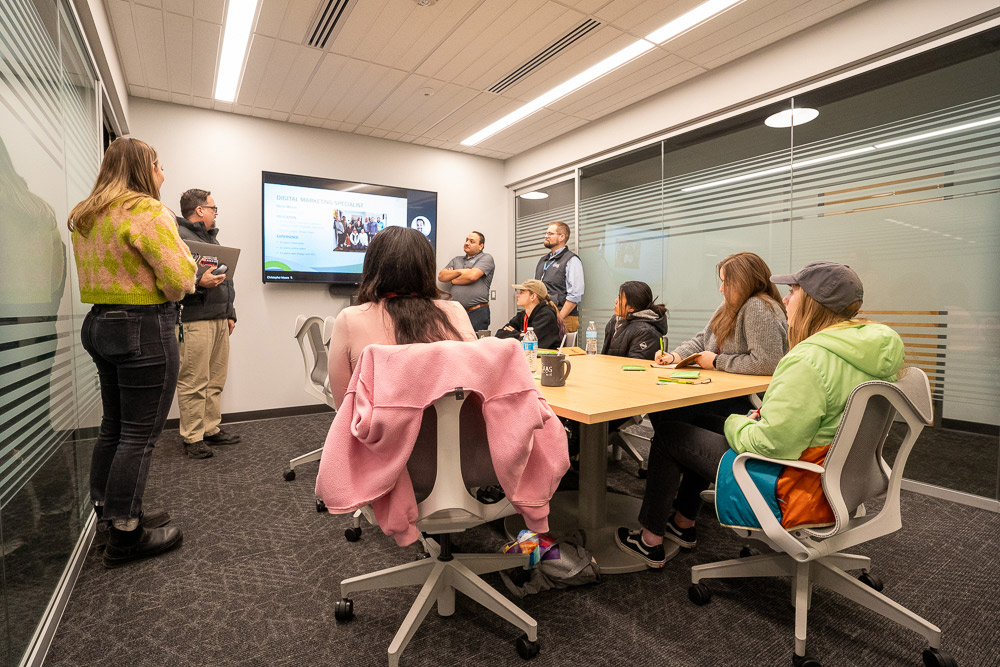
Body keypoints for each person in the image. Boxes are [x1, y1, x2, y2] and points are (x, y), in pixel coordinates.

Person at [616, 262, 901, 568]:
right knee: (696, 424)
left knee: (671, 435)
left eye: (794, 291)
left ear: (813, 303)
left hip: (793, 483)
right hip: (839, 474)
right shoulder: (869, 351)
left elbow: (774, 444)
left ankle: (649, 541)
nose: (786, 300)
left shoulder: (809, 359)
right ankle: (682, 523)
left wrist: (737, 422)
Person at [68, 137, 197, 567]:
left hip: (100, 323)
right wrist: (191, 268)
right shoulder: (147, 210)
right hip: (143, 325)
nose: (163, 175)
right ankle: (127, 534)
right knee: (140, 436)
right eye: (159, 165)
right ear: (143, 168)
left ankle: (111, 514)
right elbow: (179, 280)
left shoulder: (87, 215)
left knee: (115, 427)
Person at [327, 225, 476, 407]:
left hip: (379, 434)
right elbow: (473, 386)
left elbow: (344, 406)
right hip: (455, 433)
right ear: (427, 268)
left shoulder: (349, 319)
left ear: (373, 267)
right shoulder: (456, 311)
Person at [648, 251, 788, 437]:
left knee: (669, 411)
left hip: (747, 402)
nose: (721, 288)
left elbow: (767, 363)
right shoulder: (729, 305)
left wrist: (716, 362)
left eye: (727, 282)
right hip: (724, 390)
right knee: (663, 406)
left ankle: (674, 456)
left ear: (745, 281)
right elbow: (702, 339)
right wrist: (674, 356)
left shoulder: (758, 306)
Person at [175, 189, 239, 460]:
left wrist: (230, 313)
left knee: (215, 379)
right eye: (213, 208)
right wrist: (198, 283)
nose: (215, 213)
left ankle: (210, 429)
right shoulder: (179, 237)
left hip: (218, 318)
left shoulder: (210, 239)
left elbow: (228, 279)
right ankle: (192, 436)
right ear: (199, 210)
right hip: (194, 320)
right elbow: (174, 279)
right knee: (194, 380)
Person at [438, 231, 495, 332]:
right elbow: (441, 276)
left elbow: (472, 276)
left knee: (474, 345)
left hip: (477, 312)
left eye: (472, 241)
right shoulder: (456, 260)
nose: (467, 243)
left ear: (481, 246)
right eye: (466, 240)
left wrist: (452, 280)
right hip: (457, 312)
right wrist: (460, 271)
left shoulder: (486, 258)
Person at [535, 222, 584, 333]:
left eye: (550, 233)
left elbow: (575, 295)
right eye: (546, 233)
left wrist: (558, 319)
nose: (546, 236)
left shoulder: (572, 260)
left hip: (563, 318)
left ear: (562, 237)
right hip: (544, 317)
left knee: (561, 351)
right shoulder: (543, 260)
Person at [602, 281, 667, 359]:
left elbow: (637, 366)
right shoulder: (615, 322)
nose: (615, 301)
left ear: (631, 308)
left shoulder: (646, 332)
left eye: (620, 299)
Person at [495, 279, 563, 350]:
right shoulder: (523, 315)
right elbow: (499, 334)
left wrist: (515, 334)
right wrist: (519, 335)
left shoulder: (546, 315)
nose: (517, 295)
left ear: (533, 297)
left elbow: (531, 343)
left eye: (522, 292)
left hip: (545, 359)